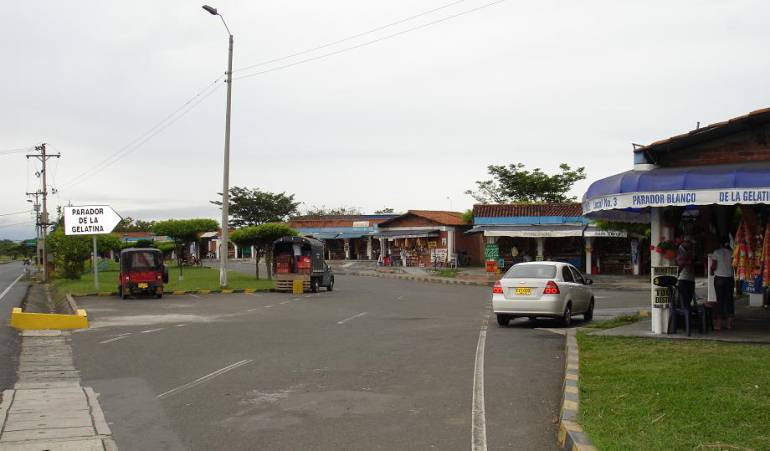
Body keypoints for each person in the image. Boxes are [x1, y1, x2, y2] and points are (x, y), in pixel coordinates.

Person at [710, 239, 735, 330]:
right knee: (729, 299)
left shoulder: (716, 252)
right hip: (729, 278)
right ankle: (729, 324)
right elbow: (734, 264)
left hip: (719, 278)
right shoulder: (732, 252)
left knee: (719, 300)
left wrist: (711, 271)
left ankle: (719, 324)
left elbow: (714, 265)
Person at [676, 237, 696, 311]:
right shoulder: (679, 251)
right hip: (683, 278)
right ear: (685, 242)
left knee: (687, 299)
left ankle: (686, 313)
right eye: (690, 243)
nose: (691, 245)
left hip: (689, 278)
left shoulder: (689, 251)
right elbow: (684, 265)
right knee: (684, 300)